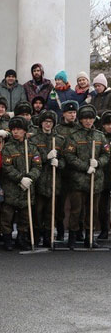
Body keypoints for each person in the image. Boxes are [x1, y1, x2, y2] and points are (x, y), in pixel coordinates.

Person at [64, 104, 109, 249]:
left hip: (95, 180)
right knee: (76, 210)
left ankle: (90, 237)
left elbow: (106, 154)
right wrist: (85, 167)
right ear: (81, 120)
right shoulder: (74, 136)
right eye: (85, 119)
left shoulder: (99, 135)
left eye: (90, 118)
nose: (88, 121)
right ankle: (72, 236)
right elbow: (69, 156)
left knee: (93, 210)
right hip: (78, 180)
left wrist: (98, 163)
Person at [0, 117, 42, 251]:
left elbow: (38, 165)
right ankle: (7, 238)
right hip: (11, 188)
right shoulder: (8, 148)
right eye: (13, 130)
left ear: (25, 131)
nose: (16, 132)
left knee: (25, 216)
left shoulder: (32, 148)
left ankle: (21, 238)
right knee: (7, 215)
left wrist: (29, 178)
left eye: (19, 129)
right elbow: (6, 167)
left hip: (27, 187)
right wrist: (20, 178)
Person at [29, 111, 65, 247]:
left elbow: (65, 161)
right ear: (41, 123)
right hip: (39, 180)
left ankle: (48, 236)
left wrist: (58, 163)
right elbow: (32, 159)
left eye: (50, 122)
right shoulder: (34, 139)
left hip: (54, 181)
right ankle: (36, 235)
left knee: (51, 211)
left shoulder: (60, 139)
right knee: (38, 211)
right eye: (45, 121)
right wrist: (46, 158)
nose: (48, 124)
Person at [54, 100, 81, 242]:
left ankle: (77, 230)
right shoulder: (58, 129)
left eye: (74, 112)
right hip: (61, 171)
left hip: (77, 171)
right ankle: (60, 228)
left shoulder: (80, 128)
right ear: (64, 113)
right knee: (60, 203)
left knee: (77, 203)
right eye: (69, 112)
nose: (72, 115)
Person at [99, 111, 111, 240]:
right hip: (104, 176)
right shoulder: (100, 137)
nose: (110, 127)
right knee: (103, 207)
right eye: (107, 124)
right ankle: (104, 230)